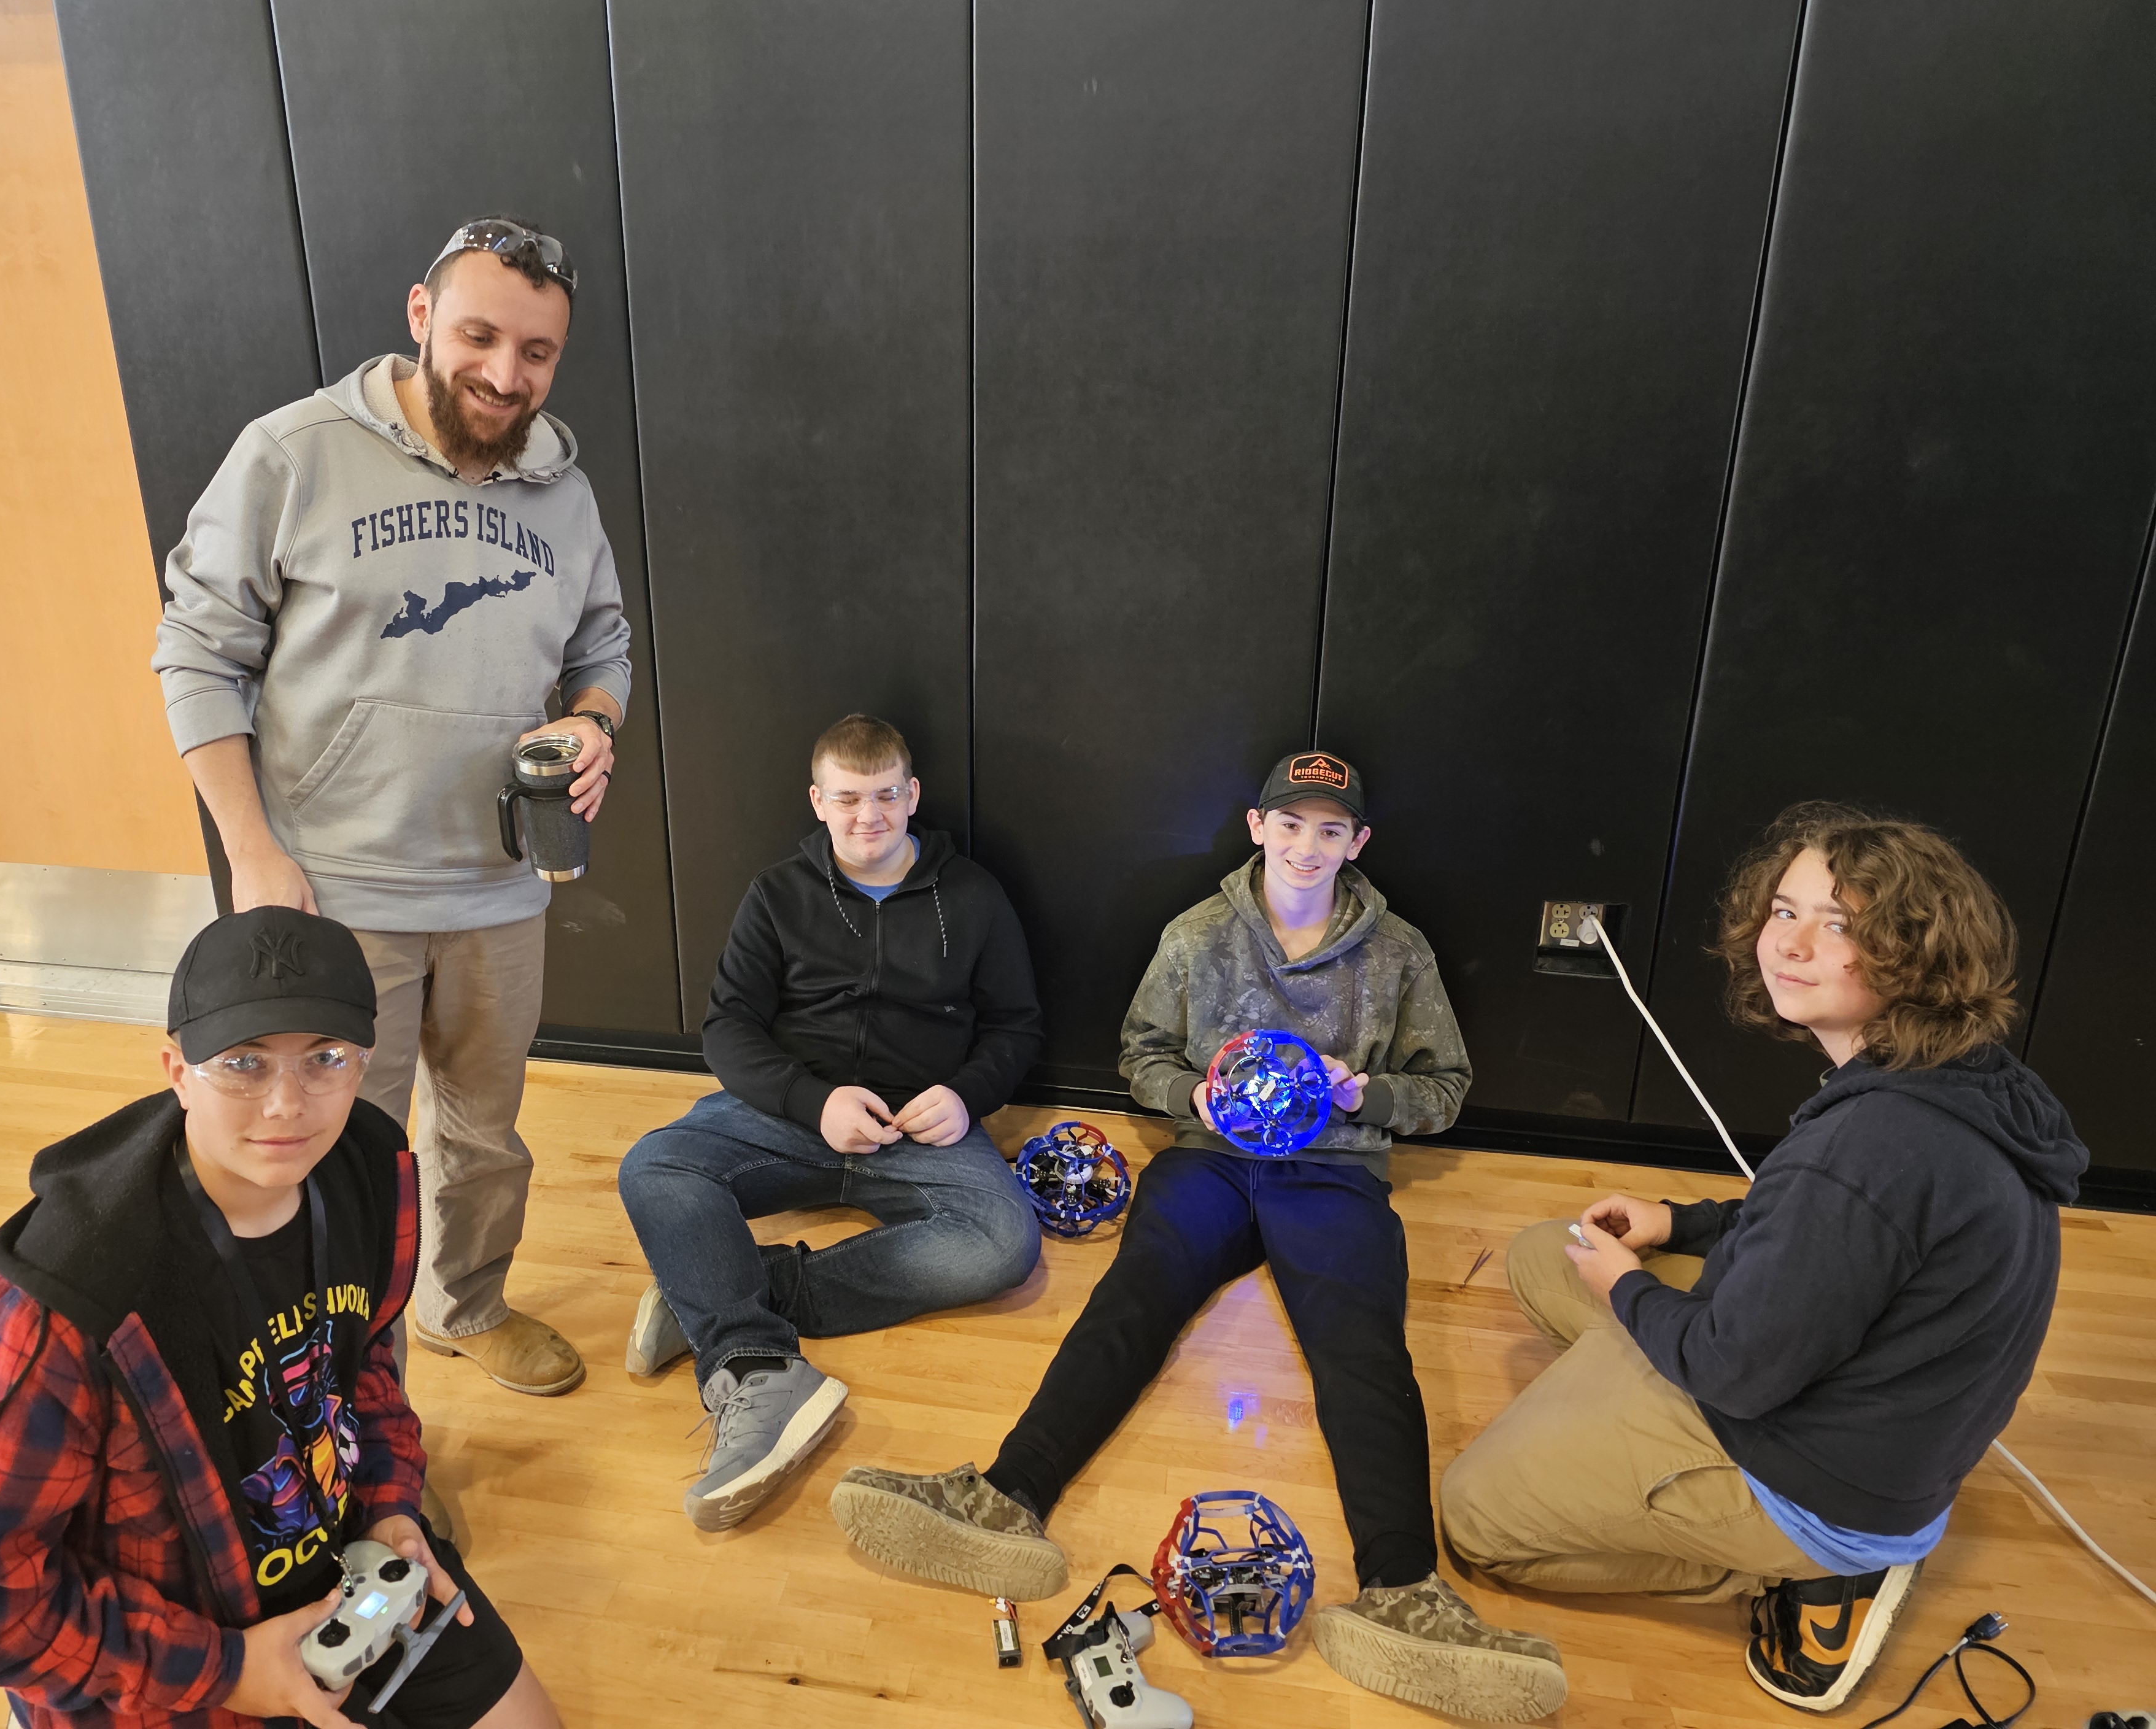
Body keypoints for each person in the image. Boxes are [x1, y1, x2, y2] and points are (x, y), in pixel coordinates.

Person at [830, 749, 1567, 1723]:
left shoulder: (1400, 953)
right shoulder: (1197, 934)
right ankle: (1006, 1497)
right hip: (1211, 1159)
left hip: (1333, 1170)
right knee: (1133, 1297)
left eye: (1330, 830)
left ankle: (1403, 1593)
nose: (1307, 847)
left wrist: (1364, 1095)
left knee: (1364, 1349)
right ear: (1258, 828)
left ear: (1358, 842)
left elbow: (1446, 1089)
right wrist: (1194, 1098)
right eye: (1290, 825)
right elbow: (1141, 1054)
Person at [1439, 804, 2087, 1714]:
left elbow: (1735, 1370)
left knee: (1476, 1520)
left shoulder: (1872, 1146)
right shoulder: (1952, 1076)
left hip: (1821, 1480)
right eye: (1786, 911)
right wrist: (1679, 1223)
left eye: (1841, 924)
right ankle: (1623, 1400)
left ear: (1918, 951)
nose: (1791, 943)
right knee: (1554, 1252)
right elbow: (1827, 1232)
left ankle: (1808, 1577)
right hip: (1871, 1410)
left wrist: (1628, 1292)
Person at [155, 217, 632, 1399]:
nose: (505, 375)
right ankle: (349, 1386)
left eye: (537, 352)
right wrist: (252, 852)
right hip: (330, 889)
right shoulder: (293, 455)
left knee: (483, 1131)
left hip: (498, 885)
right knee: (335, 1157)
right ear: (421, 316)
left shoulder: (563, 491)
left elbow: (603, 646)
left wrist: (594, 721)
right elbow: (196, 652)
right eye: (479, 337)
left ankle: (464, 1304)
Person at [0, 907, 562, 1729]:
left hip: (351, 1574)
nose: (287, 1105)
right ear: (178, 1072)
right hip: (183, 1652)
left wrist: (392, 1504)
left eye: (325, 1059)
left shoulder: (363, 1174)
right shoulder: (61, 1311)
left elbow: (361, 1368)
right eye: (244, 1064)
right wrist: (229, 1668)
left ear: (365, 1063)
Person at [616, 714, 1044, 1532]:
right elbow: (728, 1029)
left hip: (922, 1131)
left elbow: (1016, 1028)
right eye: (848, 799)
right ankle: (756, 1365)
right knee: (656, 1167)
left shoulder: (975, 895)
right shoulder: (777, 893)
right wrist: (814, 1102)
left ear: (912, 795)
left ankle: (723, 1295)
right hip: (791, 1117)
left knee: (1003, 1244)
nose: (868, 816)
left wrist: (966, 1095)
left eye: (884, 796)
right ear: (818, 802)